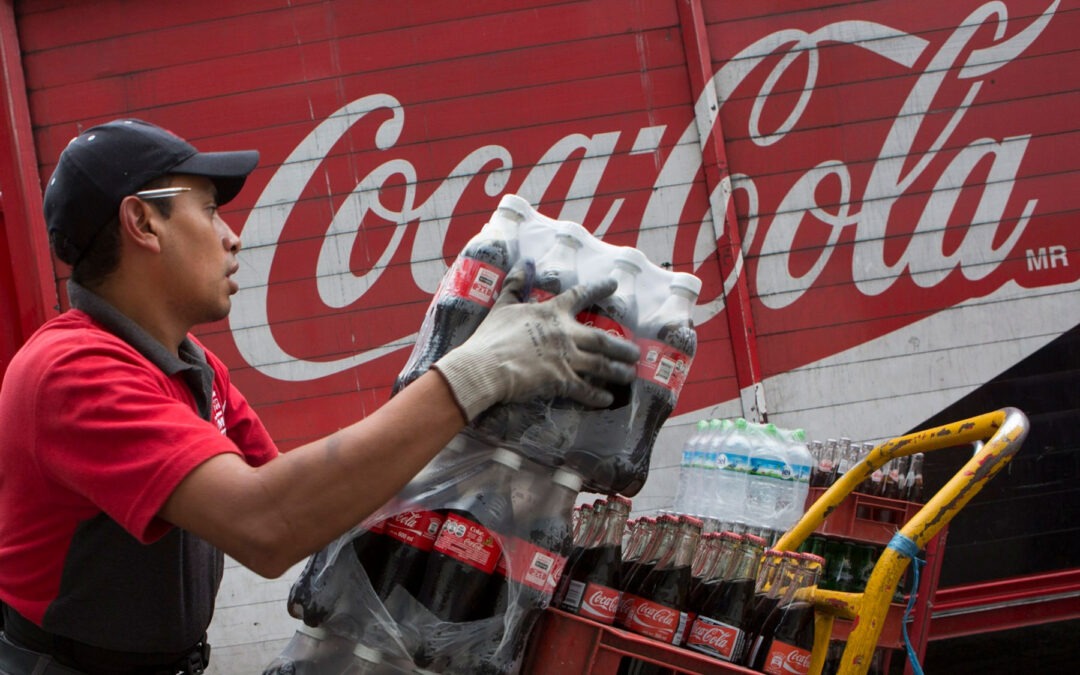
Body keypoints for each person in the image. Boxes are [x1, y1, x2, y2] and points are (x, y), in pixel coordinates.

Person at [0, 119, 640, 674]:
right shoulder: (74, 372)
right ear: (142, 221)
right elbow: (269, 527)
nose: (233, 237)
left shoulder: (189, 367)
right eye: (210, 210)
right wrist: (473, 373)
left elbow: (311, 502)